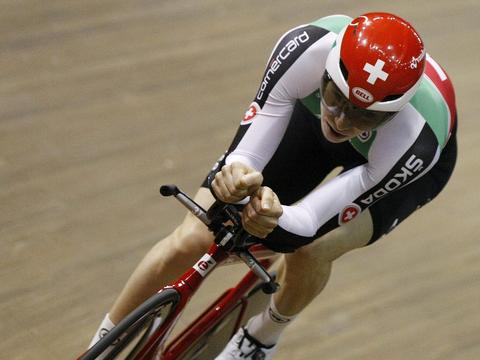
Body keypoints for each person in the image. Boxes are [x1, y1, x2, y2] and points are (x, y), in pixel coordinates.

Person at [88, 12, 458, 360]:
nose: (343, 121)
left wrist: (275, 217)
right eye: (337, 99)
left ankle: (261, 338)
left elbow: (310, 222)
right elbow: (247, 149)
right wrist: (237, 174)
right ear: (327, 71)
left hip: (387, 167)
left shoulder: (416, 141)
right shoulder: (306, 48)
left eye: (364, 115)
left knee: (312, 249)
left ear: (393, 113)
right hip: (308, 120)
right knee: (191, 239)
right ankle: (105, 343)